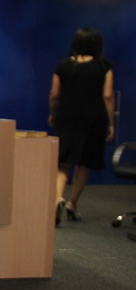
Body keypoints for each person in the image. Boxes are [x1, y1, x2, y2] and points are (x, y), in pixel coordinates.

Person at [49, 26, 115, 225]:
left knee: (62, 162)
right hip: (93, 119)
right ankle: (72, 204)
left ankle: (57, 197)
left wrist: (53, 114)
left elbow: (54, 94)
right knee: (84, 162)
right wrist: (111, 123)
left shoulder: (63, 66)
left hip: (66, 117)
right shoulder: (104, 66)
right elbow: (107, 96)